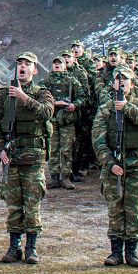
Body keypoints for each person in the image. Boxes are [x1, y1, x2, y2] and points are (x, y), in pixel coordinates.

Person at [0, 52, 55, 264]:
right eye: (19, 64)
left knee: (32, 205)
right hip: (11, 158)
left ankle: (31, 248)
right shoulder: (2, 95)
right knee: (13, 204)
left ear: (35, 70)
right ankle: (14, 247)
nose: (23, 67)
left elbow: (47, 112)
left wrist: (24, 97)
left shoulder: (42, 93)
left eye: (27, 64)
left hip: (33, 158)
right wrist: (0, 149)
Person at [92, 65, 138, 267]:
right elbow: (98, 139)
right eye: (117, 80)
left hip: (137, 166)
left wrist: (127, 107)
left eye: (125, 80)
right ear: (112, 84)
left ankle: (132, 251)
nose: (121, 83)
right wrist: (109, 163)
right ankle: (115, 252)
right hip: (114, 166)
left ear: (132, 84)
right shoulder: (105, 109)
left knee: (133, 209)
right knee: (115, 209)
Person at [40, 54, 83, 190]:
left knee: (67, 150)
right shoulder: (45, 82)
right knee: (52, 150)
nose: (57, 65)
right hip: (51, 121)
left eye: (60, 63)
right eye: (55, 63)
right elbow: (39, 97)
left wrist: (75, 105)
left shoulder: (72, 81)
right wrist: (54, 103)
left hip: (67, 121)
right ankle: (54, 178)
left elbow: (83, 97)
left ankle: (65, 177)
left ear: (65, 66)